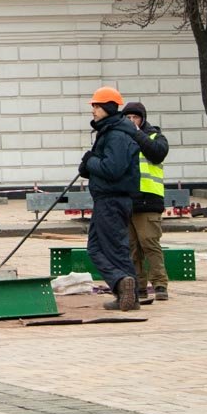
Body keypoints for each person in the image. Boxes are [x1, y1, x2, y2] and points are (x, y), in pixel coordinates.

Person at [78, 86, 141, 311]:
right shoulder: (110, 131)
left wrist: (91, 162)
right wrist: (89, 165)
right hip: (107, 199)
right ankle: (127, 292)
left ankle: (123, 284)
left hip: (112, 200)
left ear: (107, 107)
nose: (93, 110)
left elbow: (112, 168)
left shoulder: (117, 134)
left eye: (96, 105)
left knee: (115, 248)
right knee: (96, 248)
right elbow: (103, 164)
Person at [121, 101, 171, 301]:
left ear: (142, 119)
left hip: (149, 200)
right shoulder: (121, 139)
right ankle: (138, 286)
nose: (132, 121)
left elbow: (157, 153)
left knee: (149, 243)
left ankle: (160, 284)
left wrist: (136, 134)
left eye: (135, 117)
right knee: (132, 248)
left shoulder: (154, 136)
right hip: (127, 201)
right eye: (128, 118)